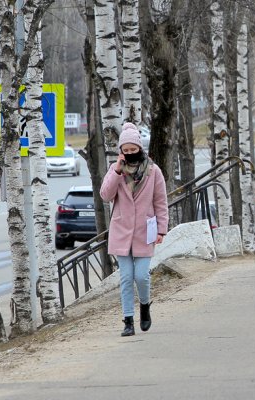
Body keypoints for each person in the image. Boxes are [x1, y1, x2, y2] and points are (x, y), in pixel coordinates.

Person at [100, 122, 169, 336]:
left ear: (140, 148)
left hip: (144, 231)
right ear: (121, 151)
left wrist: (161, 230)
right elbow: (105, 195)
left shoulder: (153, 170)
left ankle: (145, 307)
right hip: (121, 232)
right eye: (126, 150)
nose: (130, 153)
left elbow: (160, 201)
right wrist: (117, 172)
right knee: (126, 277)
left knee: (141, 276)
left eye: (133, 150)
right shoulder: (115, 170)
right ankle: (128, 320)